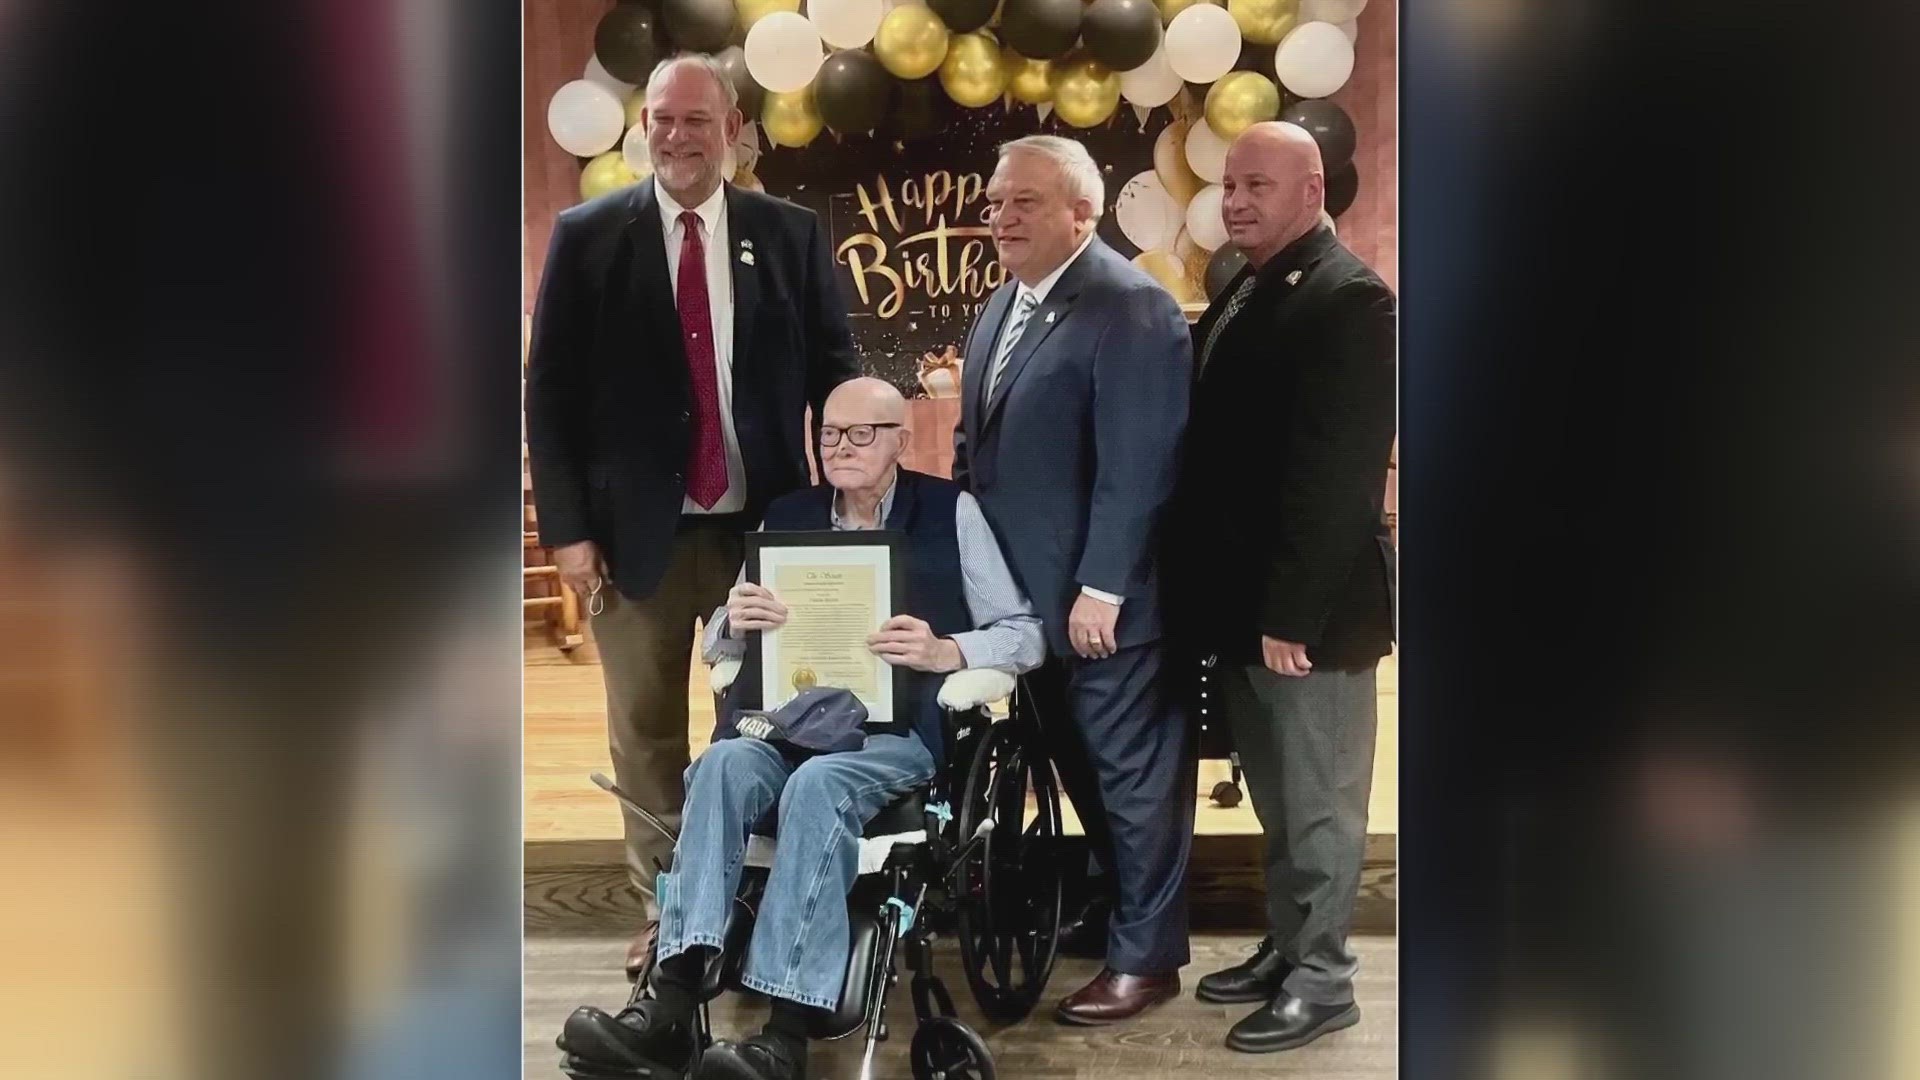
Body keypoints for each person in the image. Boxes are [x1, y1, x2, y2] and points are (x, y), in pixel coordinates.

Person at [558, 378, 1045, 1080]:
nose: (841, 448)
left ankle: (784, 1035)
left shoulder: (950, 512)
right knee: (724, 764)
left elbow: (1024, 633)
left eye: (862, 434)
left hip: (893, 732)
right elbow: (721, 650)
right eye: (830, 435)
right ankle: (669, 1009)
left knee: (819, 784)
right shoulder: (790, 515)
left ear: (901, 441)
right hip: (784, 722)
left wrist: (949, 651)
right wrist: (735, 618)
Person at [524, 53, 860, 976]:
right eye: (662, 120)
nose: (676, 136)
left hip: (769, 531)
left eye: (696, 122)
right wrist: (568, 529)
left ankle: (762, 897)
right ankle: (672, 910)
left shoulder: (788, 233)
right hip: (638, 535)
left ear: (735, 131)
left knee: (768, 722)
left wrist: (851, 501)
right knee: (646, 730)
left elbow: (837, 367)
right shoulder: (590, 235)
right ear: (643, 131)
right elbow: (549, 395)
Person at [952, 135, 1194, 1024]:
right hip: (1026, 610)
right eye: (993, 202)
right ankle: (1126, 911)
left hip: (1103, 609)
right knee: (1083, 773)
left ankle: (1150, 959)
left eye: (1024, 203)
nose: (1000, 218)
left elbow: (1142, 467)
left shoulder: (1130, 307)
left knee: (1132, 782)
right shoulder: (1000, 304)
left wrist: (1105, 589)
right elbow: (977, 451)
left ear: (1082, 213)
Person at [1172, 121, 1397, 1053]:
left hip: (1307, 616)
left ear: (1314, 190)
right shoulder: (1251, 285)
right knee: (1274, 795)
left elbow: (1340, 477)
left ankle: (1325, 979)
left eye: (1257, 185)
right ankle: (1288, 944)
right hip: (1245, 608)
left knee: (1320, 804)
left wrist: (1291, 614)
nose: (1235, 201)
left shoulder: (1351, 299)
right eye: (1229, 185)